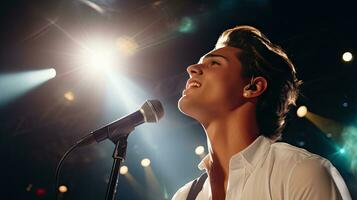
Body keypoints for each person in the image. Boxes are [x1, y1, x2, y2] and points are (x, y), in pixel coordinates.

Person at [172, 26, 351, 200]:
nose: (192, 68)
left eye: (214, 63)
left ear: (253, 87)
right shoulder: (184, 196)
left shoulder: (300, 172)